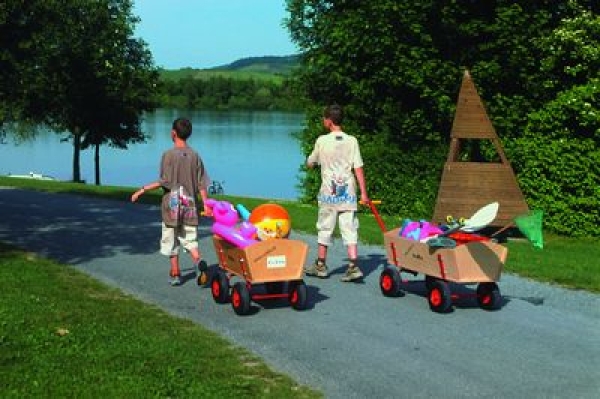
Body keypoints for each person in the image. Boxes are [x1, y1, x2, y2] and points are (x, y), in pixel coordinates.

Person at [131, 117, 211, 286]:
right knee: (190, 239)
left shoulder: (168, 155)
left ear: (173, 133)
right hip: (189, 206)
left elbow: (164, 181)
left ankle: (175, 273)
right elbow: (201, 183)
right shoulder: (195, 156)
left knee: (171, 239)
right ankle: (198, 260)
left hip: (172, 206)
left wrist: (142, 190)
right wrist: (206, 204)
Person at [304, 104, 370, 282]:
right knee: (349, 227)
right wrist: (363, 193)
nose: (323, 121)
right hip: (348, 192)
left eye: (324, 118)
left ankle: (321, 265)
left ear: (329, 121)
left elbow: (311, 161)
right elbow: (358, 168)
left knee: (325, 226)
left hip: (329, 192)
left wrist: (309, 163)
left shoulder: (322, 141)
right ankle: (353, 266)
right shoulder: (352, 141)